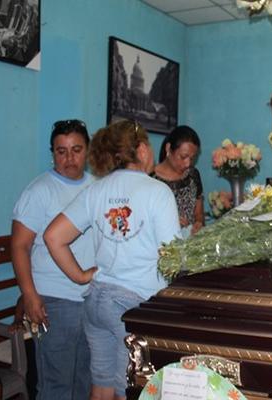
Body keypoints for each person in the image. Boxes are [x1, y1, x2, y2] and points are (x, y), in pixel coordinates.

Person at [43, 120, 181, 400]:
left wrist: (82, 276)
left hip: (97, 302)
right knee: (127, 391)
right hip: (133, 308)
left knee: (102, 388)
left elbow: (53, 237)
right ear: (141, 149)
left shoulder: (96, 190)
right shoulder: (157, 191)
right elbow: (174, 258)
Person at [11, 119, 94, 400]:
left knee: (85, 382)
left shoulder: (97, 188)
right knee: (55, 386)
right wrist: (30, 295)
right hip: (54, 301)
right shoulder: (40, 191)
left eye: (76, 149)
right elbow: (19, 246)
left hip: (91, 298)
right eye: (61, 151)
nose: (69, 158)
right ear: (52, 153)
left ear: (88, 151)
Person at [152, 125, 204, 235]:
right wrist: (171, 223)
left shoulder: (193, 175)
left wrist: (198, 224)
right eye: (183, 157)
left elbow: (199, 215)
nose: (188, 163)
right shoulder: (150, 179)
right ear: (168, 149)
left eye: (192, 158)